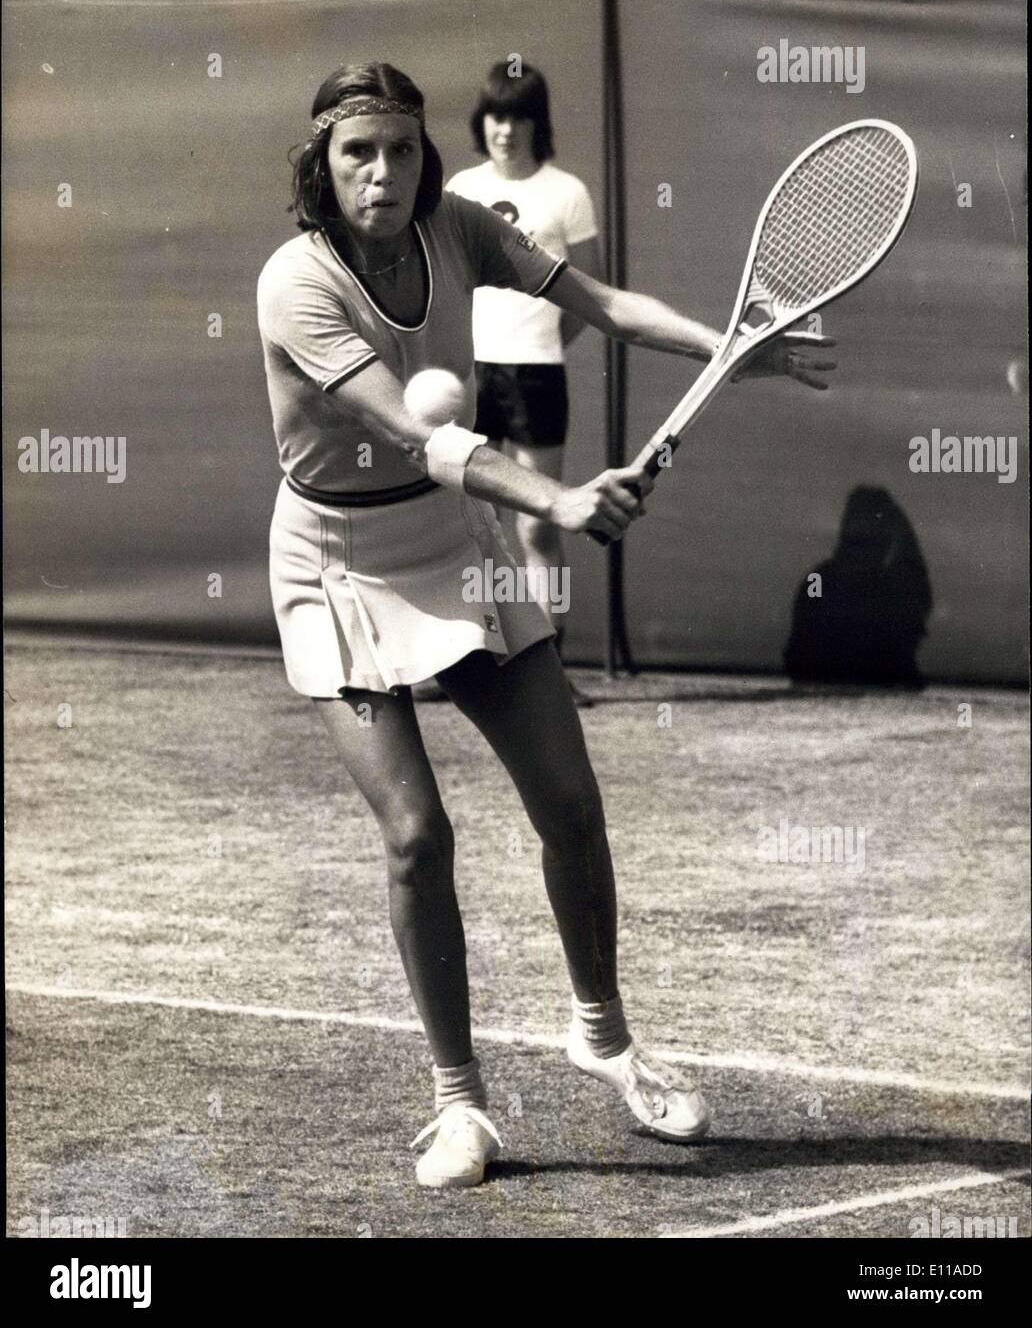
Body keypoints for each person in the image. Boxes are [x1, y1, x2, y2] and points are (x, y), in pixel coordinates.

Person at [257, 62, 834, 1190]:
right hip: (334, 561)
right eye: (357, 153)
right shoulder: (294, 283)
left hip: (448, 542)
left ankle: (604, 1035)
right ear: (321, 169)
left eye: (403, 149)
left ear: (431, 156)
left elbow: (607, 307)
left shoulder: (462, 227)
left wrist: (736, 344)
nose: (384, 171)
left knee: (572, 806)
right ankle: (461, 1104)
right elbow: (411, 430)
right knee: (419, 835)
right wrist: (559, 500)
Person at [446, 62, 603, 701]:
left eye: (517, 116)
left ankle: (550, 672)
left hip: (538, 376)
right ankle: (467, 663)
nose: (505, 130)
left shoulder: (567, 193)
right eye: (495, 116)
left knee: (539, 525)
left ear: (537, 123)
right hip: (468, 377)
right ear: (482, 124)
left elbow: (589, 296)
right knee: (465, 521)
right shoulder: (459, 188)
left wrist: (539, 347)